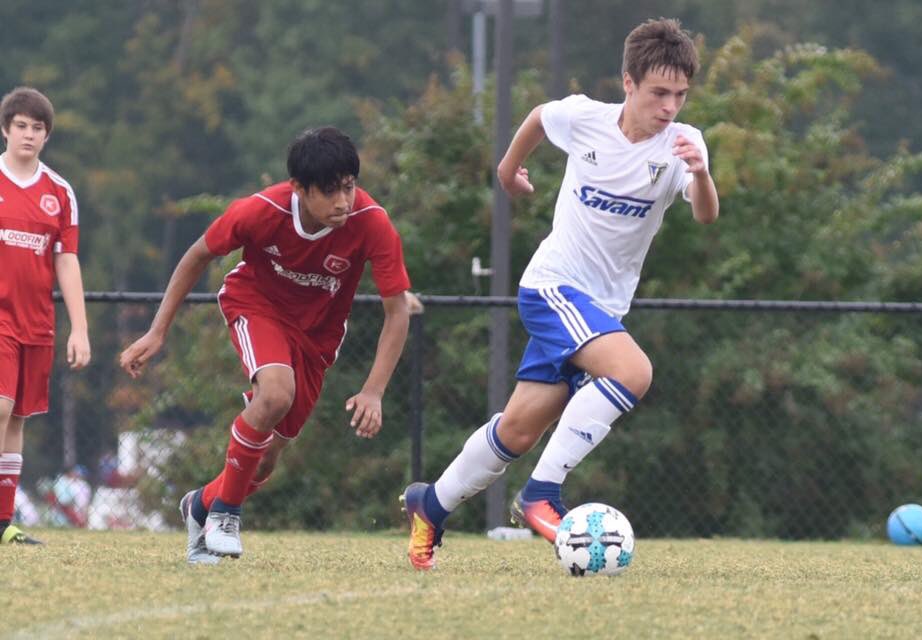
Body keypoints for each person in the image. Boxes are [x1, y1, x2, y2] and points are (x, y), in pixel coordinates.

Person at [401, 18, 719, 570]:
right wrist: (508, 171)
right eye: (658, 93)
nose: (670, 106)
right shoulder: (585, 119)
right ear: (628, 82)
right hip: (553, 286)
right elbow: (539, 117)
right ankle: (542, 493)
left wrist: (703, 174)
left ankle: (430, 505)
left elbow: (706, 215)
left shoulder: (682, 145)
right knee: (633, 372)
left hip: (598, 310)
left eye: (680, 95)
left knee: (518, 430)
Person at [120, 127, 412, 564]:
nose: (342, 201)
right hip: (255, 304)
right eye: (329, 191)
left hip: (318, 338)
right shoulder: (261, 211)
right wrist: (157, 331)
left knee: (265, 462)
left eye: (349, 187)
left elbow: (397, 311)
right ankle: (225, 515)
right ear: (299, 188)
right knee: (275, 393)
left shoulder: (371, 222)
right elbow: (197, 255)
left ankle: (200, 506)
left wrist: (374, 390)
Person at [0, 87, 91, 546]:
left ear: (47, 135)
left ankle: (3, 523)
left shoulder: (60, 192)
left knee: (17, 417)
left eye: (37, 128)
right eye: (21, 126)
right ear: (5, 129)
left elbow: (67, 260)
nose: (28, 134)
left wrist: (80, 328)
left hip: (35, 322)